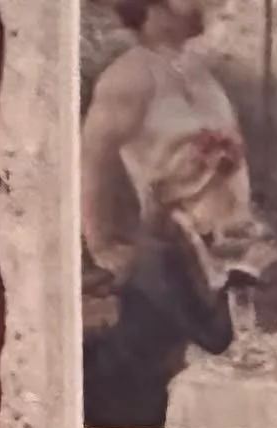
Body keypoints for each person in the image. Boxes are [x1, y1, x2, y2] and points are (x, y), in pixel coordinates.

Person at [81, 0, 251, 286]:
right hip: (178, 262)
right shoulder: (129, 76)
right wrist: (101, 246)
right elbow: (91, 160)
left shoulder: (202, 77)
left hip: (233, 255)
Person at [82, 132, 245, 428]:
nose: (231, 203)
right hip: (132, 394)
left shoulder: (180, 240)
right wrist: (232, 281)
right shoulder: (163, 255)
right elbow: (215, 338)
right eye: (223, 191)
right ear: (194, 192)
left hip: (147, 378)